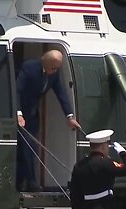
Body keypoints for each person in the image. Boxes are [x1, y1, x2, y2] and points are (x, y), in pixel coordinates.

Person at [16, 49, 81, 192]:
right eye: (54, 67)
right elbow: (17, 91)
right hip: (21, 114)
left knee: (31, 148)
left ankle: (23, 181)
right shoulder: (29, 67)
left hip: (33, 115)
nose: (56, 70)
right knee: (25, 148)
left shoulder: (53, 74)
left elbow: (61, 94)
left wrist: (69, 116)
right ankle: (29, 183)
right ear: (46, 62)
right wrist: (18, 114)